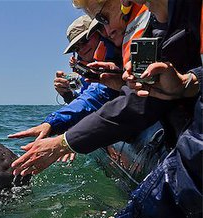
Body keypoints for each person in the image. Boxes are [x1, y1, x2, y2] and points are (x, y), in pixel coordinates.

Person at [11, 0, 202, 176]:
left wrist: (65, 142)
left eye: (102, 21)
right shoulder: (121, 49)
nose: (106, 30)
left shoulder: (161, 28)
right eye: (76, 48)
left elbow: (136, 103)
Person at [9, 15, 120, 162]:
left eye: (85, 40)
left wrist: (55, 125)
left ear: (100, 32)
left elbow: (97, 96)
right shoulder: (87, 69)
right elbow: (87, 99)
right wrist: (67, 94)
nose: (82, 49)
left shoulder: (114, 60)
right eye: (76, 47)